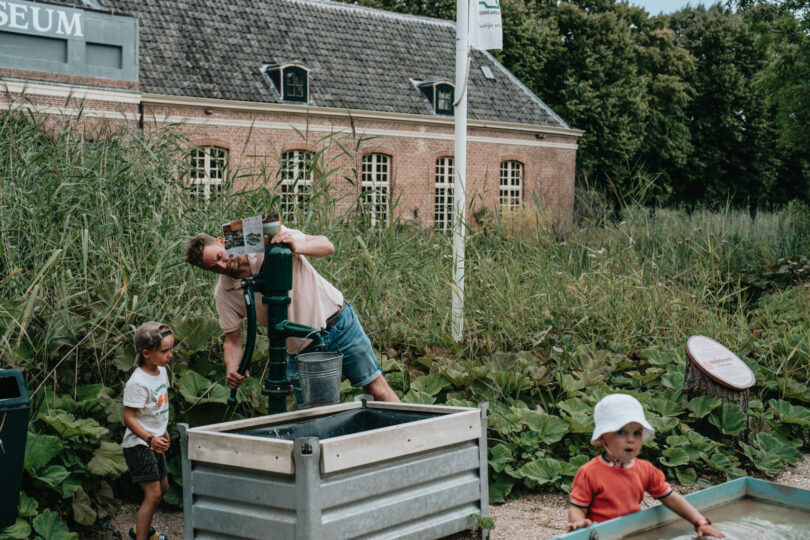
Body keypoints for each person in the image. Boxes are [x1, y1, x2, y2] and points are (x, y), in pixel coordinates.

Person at [184, 227, 399, 405]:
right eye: (214, 268)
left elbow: (327, 245)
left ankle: (415, 444)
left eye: (220, 257)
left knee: (378, 390)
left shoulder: (251, 234)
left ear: (223, 242)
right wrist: (232, 368)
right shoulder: (224, 292)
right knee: (315, 418)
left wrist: (297, 247)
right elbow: (232, 340)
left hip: (339, 322)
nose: (223, 266)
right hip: (303, 350)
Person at [567, 393, 725, 538]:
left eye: (637, 433)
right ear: (603, 438)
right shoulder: (590, 472)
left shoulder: (645, 469)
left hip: (634, 532)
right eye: (621, 432)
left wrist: (700, 522)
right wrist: (579, 524)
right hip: (601, 535)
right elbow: (578, 508)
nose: (631, 439)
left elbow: (670, 498)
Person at [122, 322, 173, 540]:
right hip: (139, 444)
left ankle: (140, 530)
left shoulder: (161, 371)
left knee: (163, 488)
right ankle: (141, 536)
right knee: (153, 495)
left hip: (156, 439)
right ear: (146, 353)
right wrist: (150, 438)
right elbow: (129, 418)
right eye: (164, 351)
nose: (170, 355)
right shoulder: (138, 382)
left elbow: (158, 407)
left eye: (171, 349)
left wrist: (164, 430)